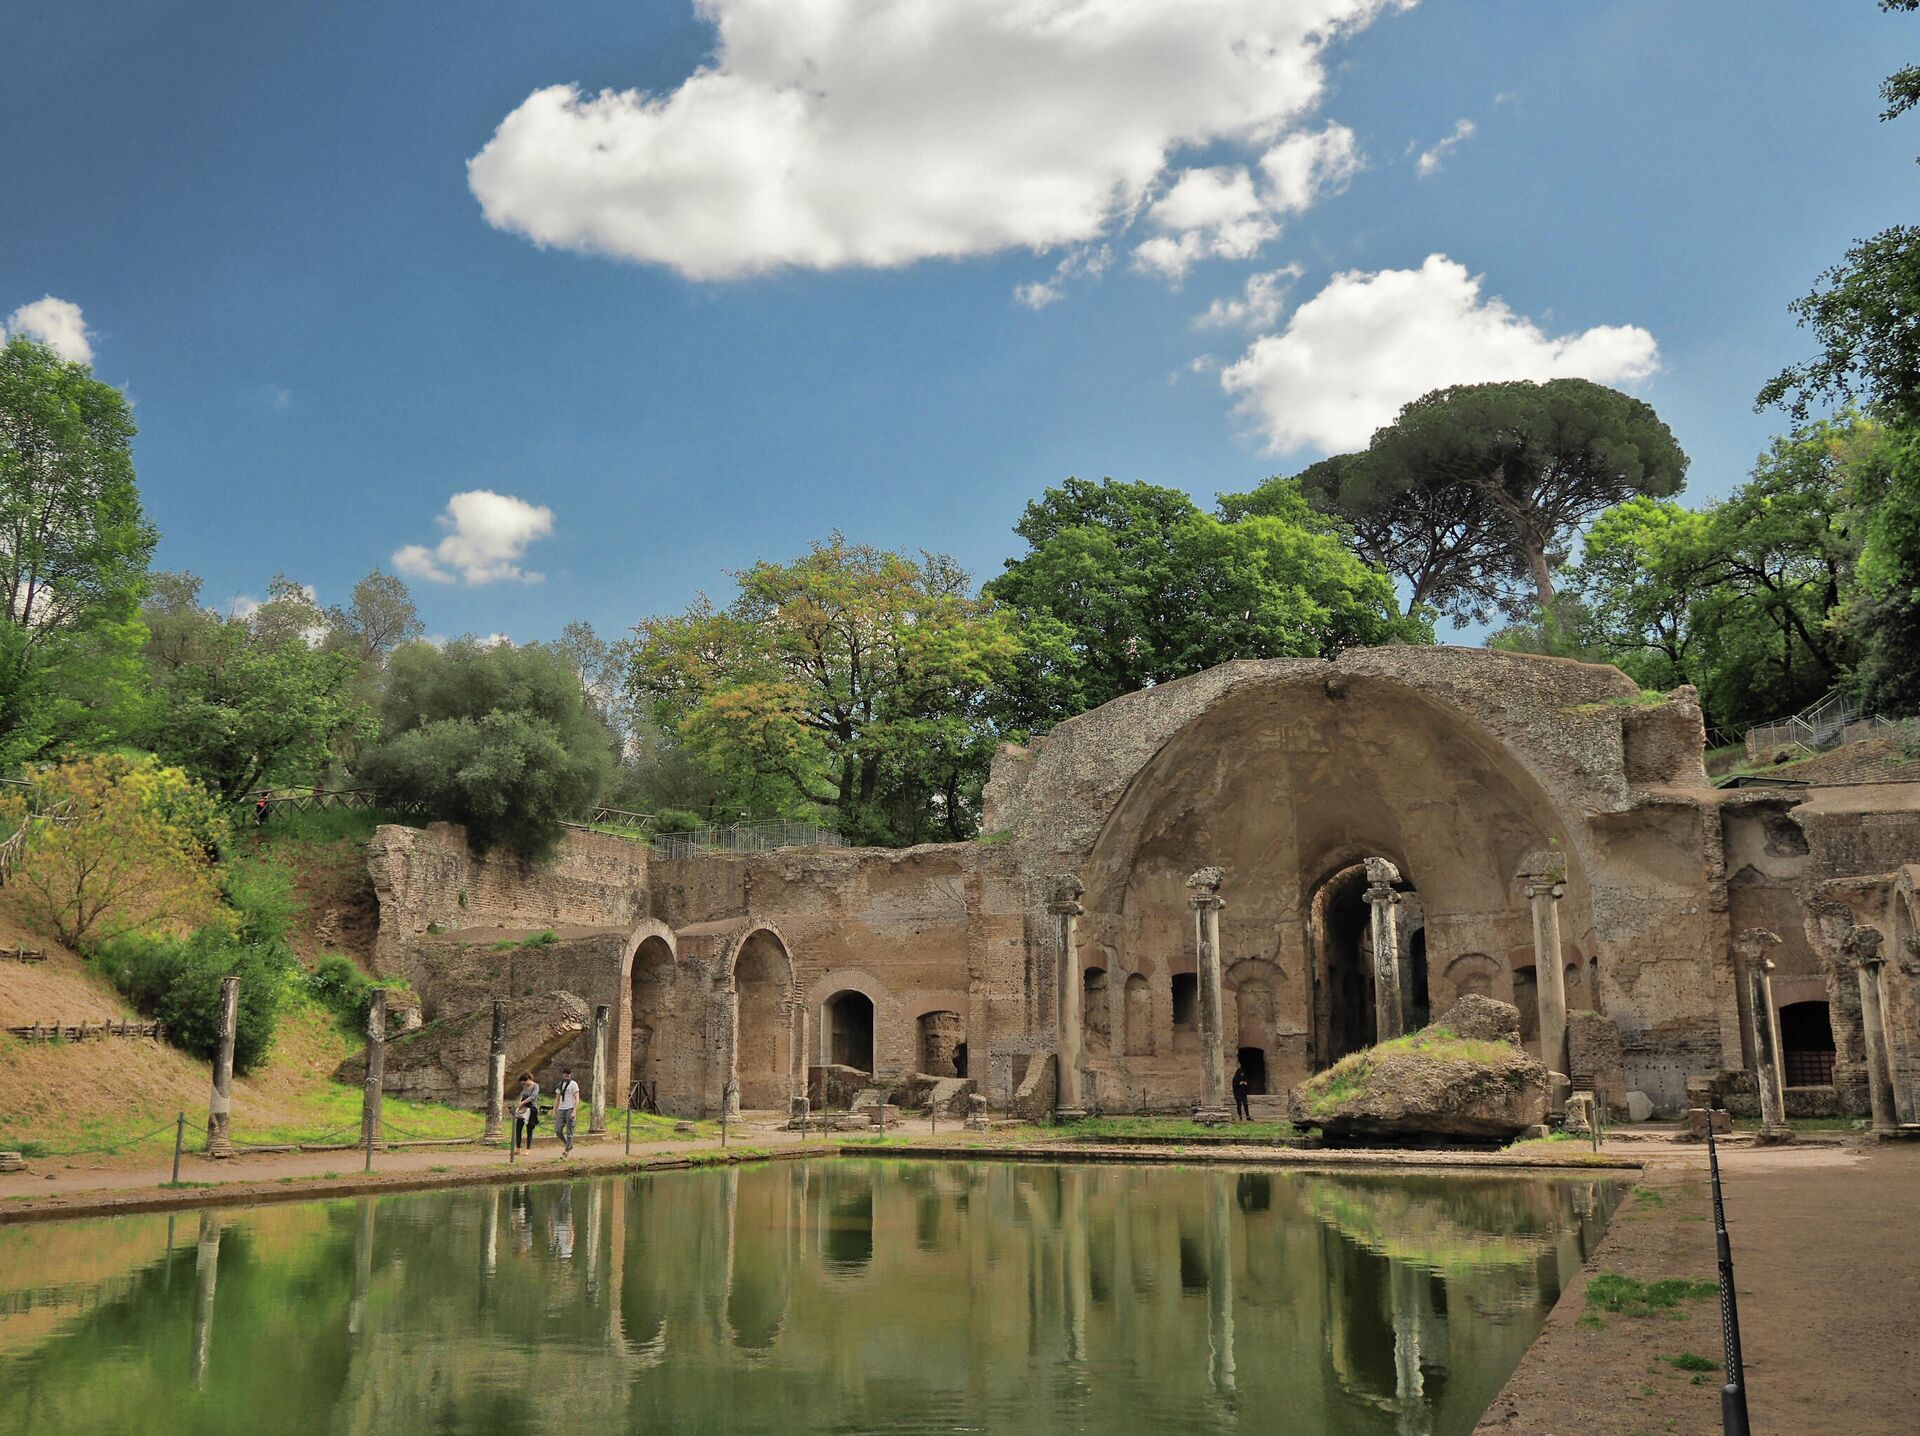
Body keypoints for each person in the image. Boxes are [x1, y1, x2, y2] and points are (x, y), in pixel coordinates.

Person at [553, 1067, 581, 1155]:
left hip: (570, 1108)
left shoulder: (573, 1084)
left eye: (568, 1076)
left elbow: (577, 1098)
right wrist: (554, 1110)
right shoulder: (560, 1084)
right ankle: (568, 1145)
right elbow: (557, 1099)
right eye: (565, 1076)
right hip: (562, 1108)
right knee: (558, 1130)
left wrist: (574, 1111)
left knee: (569, 1131)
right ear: (563, 1075)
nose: (566, 1078)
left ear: (570, 1075)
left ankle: (566, 1151)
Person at [514, 1073, 541, 1152]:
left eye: (525, 1082)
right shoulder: (524, 1086)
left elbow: (533, 1097)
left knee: (529, 1129)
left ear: (528, 1079)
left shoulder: (536, 1086)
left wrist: (522, 1103)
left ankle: (528, 1148)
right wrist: (519, 1104)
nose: (524, 1084)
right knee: (518, 1128)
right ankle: (518, 1148)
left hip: (531, 1108)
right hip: (522, 1109)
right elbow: (522, 1095)